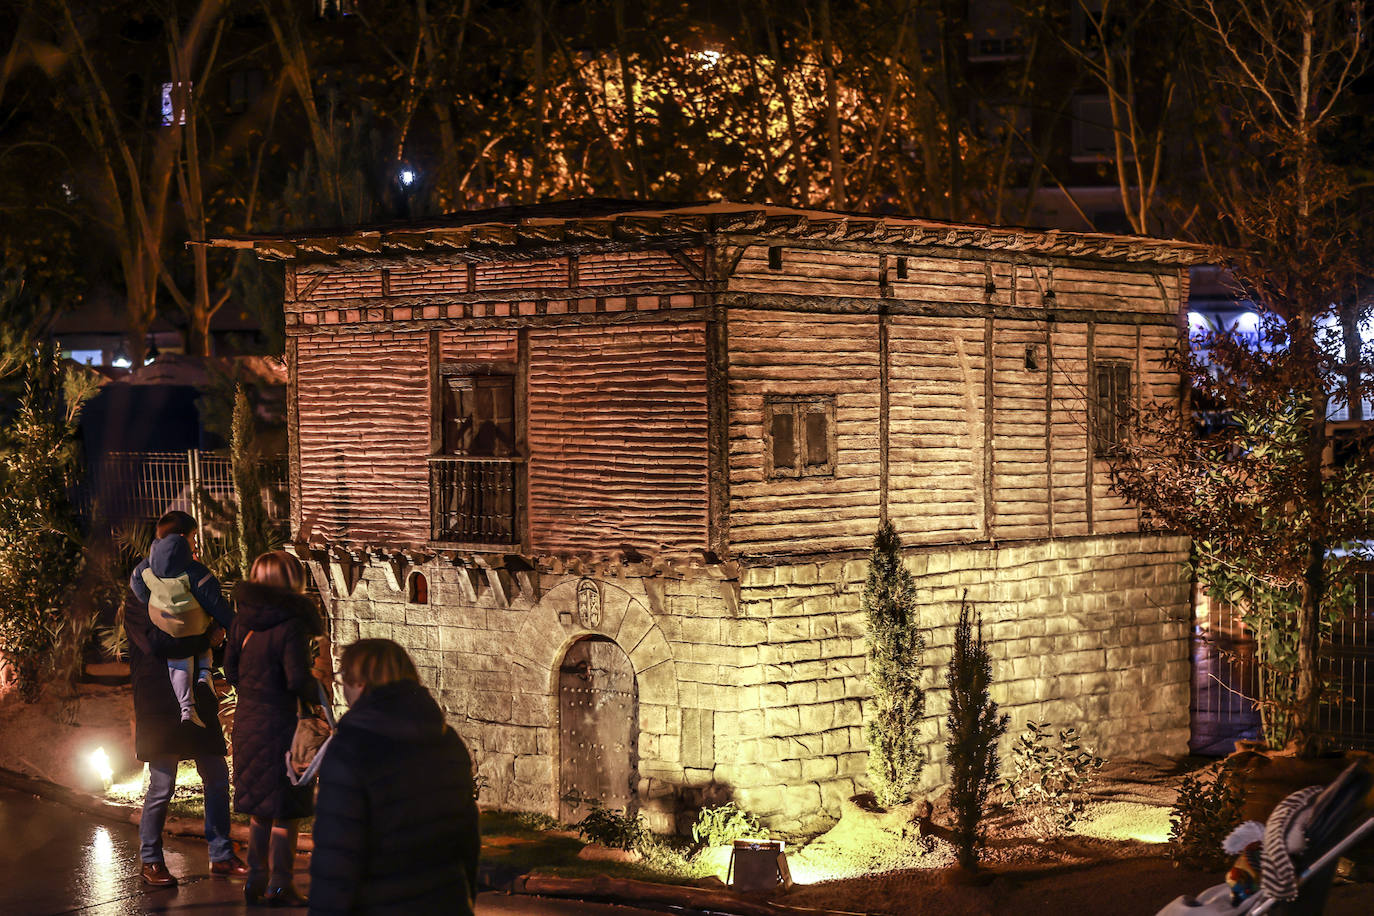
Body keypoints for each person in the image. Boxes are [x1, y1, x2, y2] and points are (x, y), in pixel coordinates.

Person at [308, 639, 480, 916]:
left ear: (360, 683)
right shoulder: (447, 741)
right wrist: (465, 896)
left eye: (342, 680)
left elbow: (337, 854)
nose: (342, 689)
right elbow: (467, 836)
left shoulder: (351, 748)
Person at [125, 510, 248, 887]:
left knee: (216, 776)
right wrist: (206, 639)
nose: (195, 551)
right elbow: (155, 644)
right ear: (176, 540)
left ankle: (221, 854)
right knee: (162, 785)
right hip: (159, 700)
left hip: (198, 692)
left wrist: (217, 643)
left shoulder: (192, 581)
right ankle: (150, 859)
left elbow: (217, 629)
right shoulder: (140, 589)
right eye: (192, 542)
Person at [225, 549, 327, 906]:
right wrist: (318, 693)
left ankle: (255, 880)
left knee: (260, 808)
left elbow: (231, 670)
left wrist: (254, 690)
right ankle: (281, 884)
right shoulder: (291, 624)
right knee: (286, 808)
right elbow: (296, 678)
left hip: (248, 720)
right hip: (281, 723)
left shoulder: (241, 621)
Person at [130, 512, 235, 728]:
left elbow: (137, 588)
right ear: (180, 538)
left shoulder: (145, 573)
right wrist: (232, 628)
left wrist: (156, 601)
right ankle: (204, 675)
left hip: (154, 696)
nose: (196, 543)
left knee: (180, 660)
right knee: (199, 642)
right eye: (193, 536)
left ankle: (189, 704)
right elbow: (215, 602)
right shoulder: (194, 572)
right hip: (172, 687)